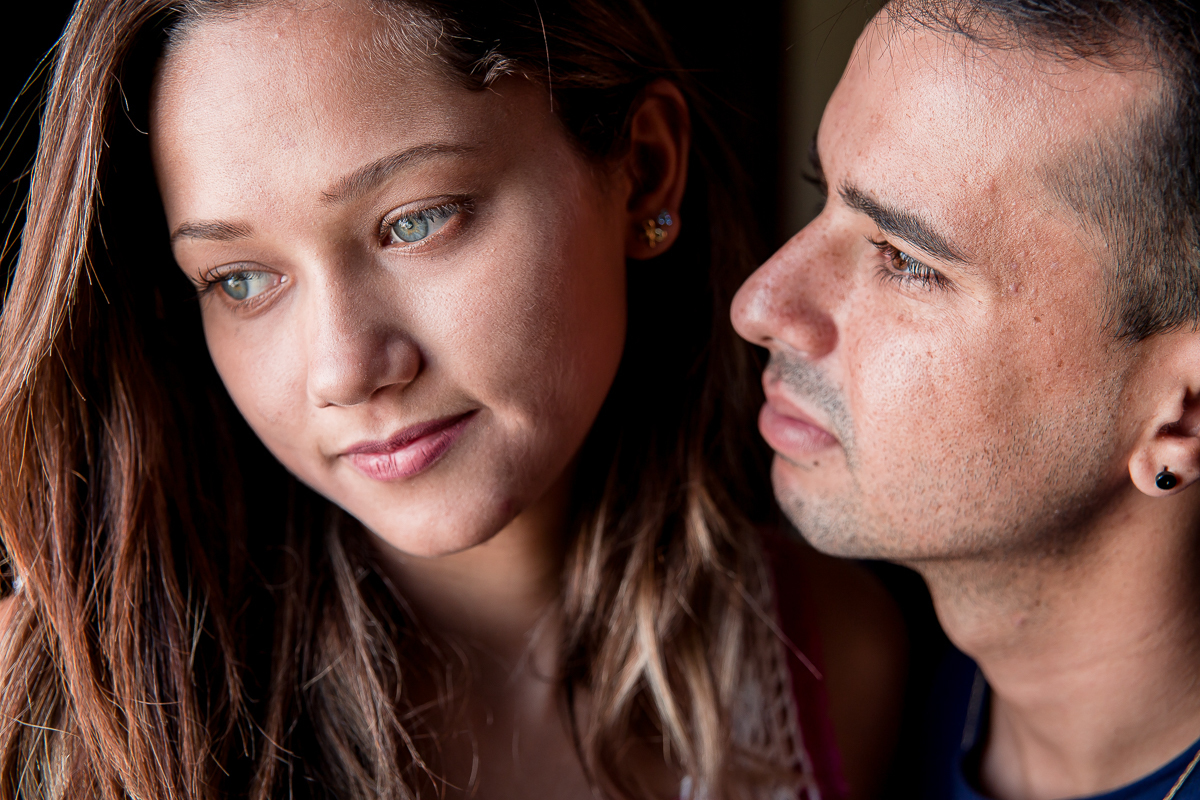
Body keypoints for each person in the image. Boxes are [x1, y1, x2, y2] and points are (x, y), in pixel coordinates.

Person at [0, 1, 905, 798]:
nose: (345, 370)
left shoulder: (836, 663)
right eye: (240, 281)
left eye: (418, 220)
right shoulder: (52, 711)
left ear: (644, 166)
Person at [732, 0, 1200, 798]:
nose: (759, 305)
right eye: (823, 193)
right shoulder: (830, 695)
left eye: (905, 260)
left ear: (1183, 414)